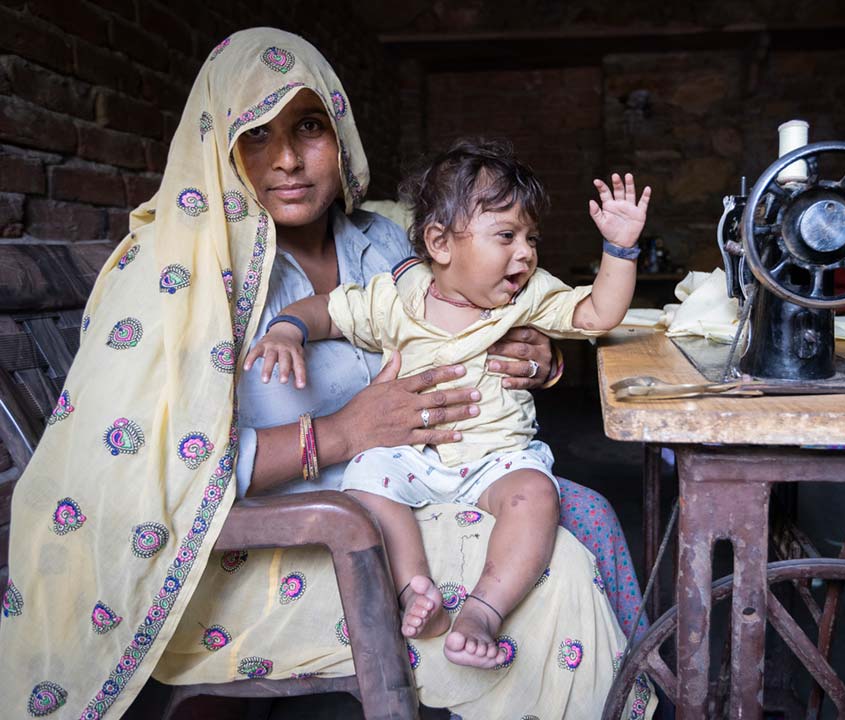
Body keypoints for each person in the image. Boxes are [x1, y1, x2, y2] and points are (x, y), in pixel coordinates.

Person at [0, 27, 654, 720]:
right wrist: (340, 435)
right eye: (255, 134)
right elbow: (138, 471)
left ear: (340, 135)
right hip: (284, 540)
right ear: (217, 146)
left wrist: (542, 359)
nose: (286, 159)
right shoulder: (182, 274)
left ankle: (633, 696)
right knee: (561, 569)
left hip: (428, 480)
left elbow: (486, 304)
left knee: (582, 510)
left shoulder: (387, 236)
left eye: (308, 126)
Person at [245, 138, 650, 668]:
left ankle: (484, 609)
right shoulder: (401, 293)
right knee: (367, 480)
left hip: (494, 460)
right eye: (506, 236)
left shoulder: (525, 295)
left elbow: (599, 313)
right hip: (413, 457)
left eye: (531, 238)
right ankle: (416, 591)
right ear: (439, 243)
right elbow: (331, 311)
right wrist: (286, 329)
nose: (525, 252)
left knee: (535, 494)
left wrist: (619, 250)